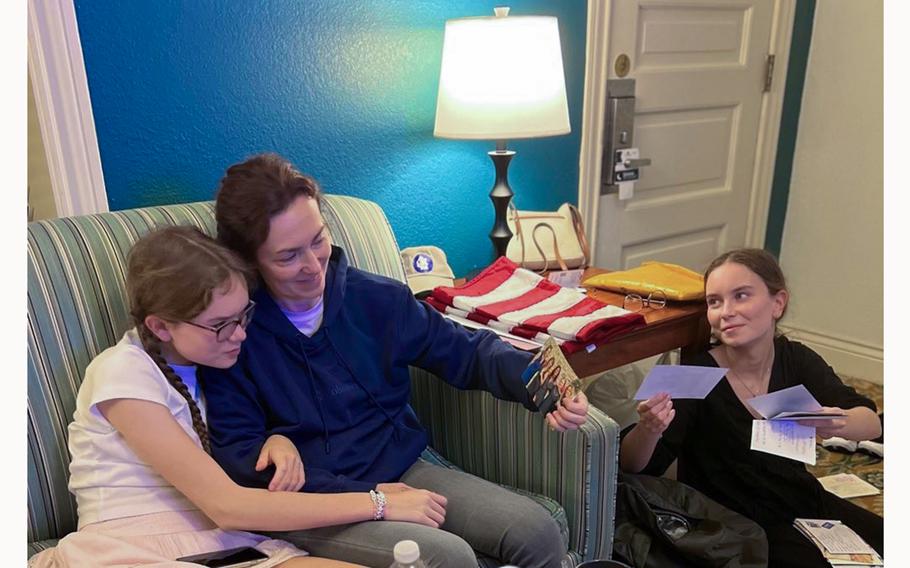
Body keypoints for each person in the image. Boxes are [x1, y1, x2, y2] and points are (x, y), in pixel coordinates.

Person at [200, 153, 590, 568]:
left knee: (536, 531)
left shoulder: (377, 299)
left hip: (401, 467)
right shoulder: (234, 335)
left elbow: (464, 349)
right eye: (288, 256)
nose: (314, 266)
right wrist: (370, 500)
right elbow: (241, 457)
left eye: (318, 240)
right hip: (311, 502)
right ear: (249, 262)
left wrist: (549, 386)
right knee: (447, 558)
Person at [28, 226, 447, 568]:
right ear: (160, 327)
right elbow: (227, 504)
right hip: (135, 543)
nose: (241, 334)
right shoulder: (122, 372)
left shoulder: (214, 364)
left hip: (223, 540)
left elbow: (232, 446)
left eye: (244, 314)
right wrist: (377, 502)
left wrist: (276, 439)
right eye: (221, 324)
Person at [619, 248, 883, 567]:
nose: (726, 311)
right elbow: (633, 466)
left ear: (777, 303)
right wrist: (649, 429)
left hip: (800, 499)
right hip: (737, 526)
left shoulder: (795, 359)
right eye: (715, 302)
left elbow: (870, 422)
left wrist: (835, 421)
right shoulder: (694, 375)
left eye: (741, 296)